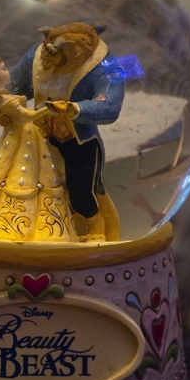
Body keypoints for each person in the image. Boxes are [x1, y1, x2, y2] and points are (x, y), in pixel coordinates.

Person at [9, 22, 125, 242]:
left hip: (79, 142)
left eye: (56, 56)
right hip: (41, 138)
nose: (48, 60)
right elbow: (15, 84)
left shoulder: (106, 65)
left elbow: (110, 103)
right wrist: (1, 94)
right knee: (39, 186)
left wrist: (76, 109)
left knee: (82, 190)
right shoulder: (37, 56)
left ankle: (97, 230)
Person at [0, 58, 76, 243]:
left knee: (35, 171)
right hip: (22, 135)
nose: (8, 72)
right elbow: (29, 115)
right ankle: (14, 225)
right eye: (3, 69)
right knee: (25, 172)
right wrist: (50, 109)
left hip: (22, 134)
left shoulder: (4, 95)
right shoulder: (4, 100)